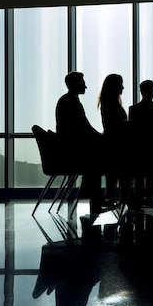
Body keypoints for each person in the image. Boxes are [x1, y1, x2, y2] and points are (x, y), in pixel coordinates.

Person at [55, 71, 105, 214]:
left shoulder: (67, 100)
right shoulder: (71, 102)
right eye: (83, 83)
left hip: (70, 148)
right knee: (97, 159)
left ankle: (93, 196)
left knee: (96, 157)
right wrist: (102, 138)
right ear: (75, 84)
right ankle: (96, 198)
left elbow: (83, 128)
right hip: (72, 152)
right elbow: (84, 128)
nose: (86, 86)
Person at [128, 80, 153, 208]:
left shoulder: (134, 109)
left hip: (139, 150)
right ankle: (148, 195)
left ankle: (140, 196)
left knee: (140, 166)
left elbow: (132, 132)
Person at [98, 73, 132, 207]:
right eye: (120, 84)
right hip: (116, 144)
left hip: (111, 144)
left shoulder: (107, 103)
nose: (122, 87)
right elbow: (116, 126)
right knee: (126, 167)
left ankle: (116, 195)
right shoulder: (112, 104)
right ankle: (125, 197)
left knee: (115, 172)